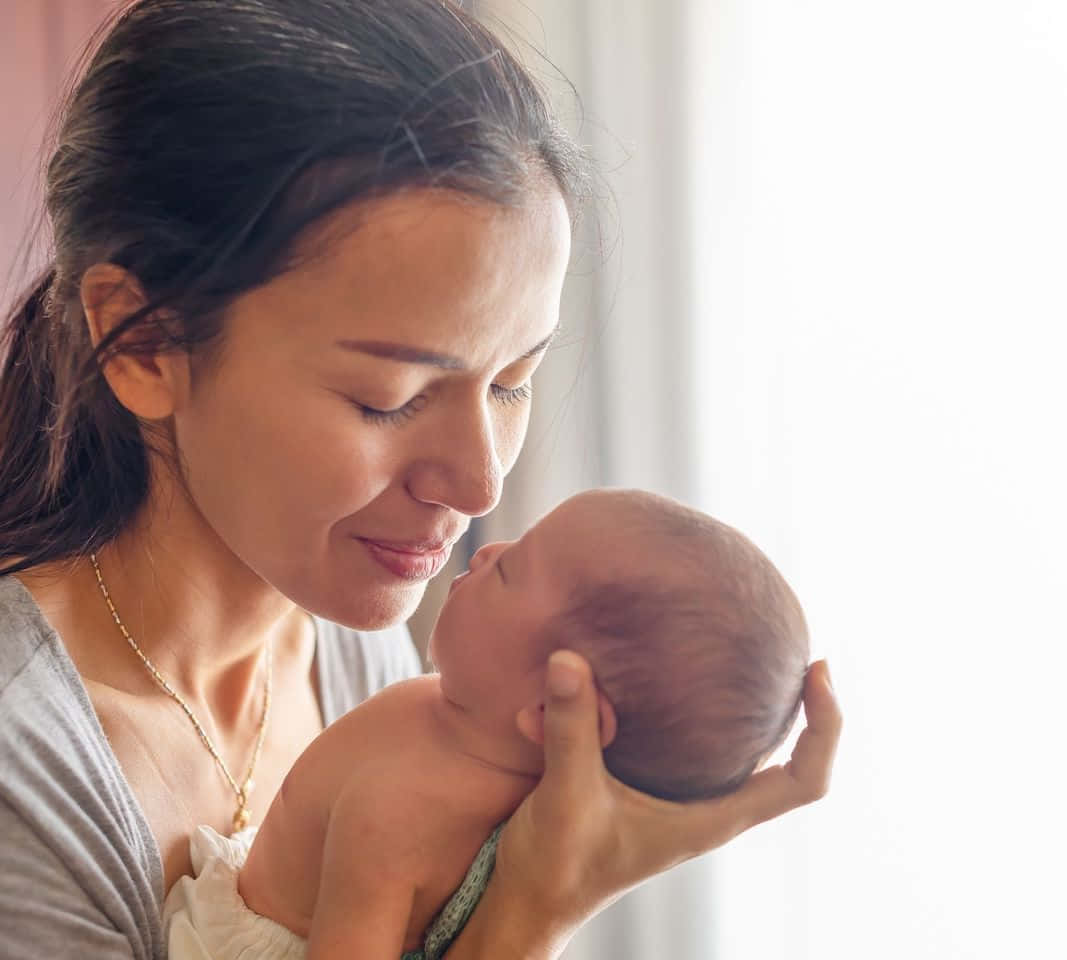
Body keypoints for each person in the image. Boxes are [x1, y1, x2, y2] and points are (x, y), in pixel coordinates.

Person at [0, 2, 842, 959]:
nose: (481, 485)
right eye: (389, 398)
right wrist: (535, 910)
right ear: (147, 344)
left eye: (514, 382)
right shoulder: (24, 770)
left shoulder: (350, 647)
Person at [162, 488, 811, 959]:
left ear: (557, 709)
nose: (486, 548)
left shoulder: (399, 809)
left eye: (509, 569)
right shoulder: (491, 756)